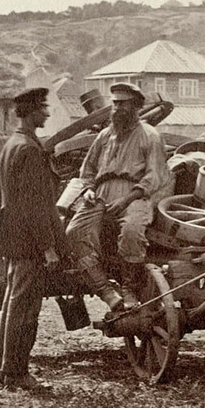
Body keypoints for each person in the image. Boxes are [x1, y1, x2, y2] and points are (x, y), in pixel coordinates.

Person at [65, 82, 172, 310]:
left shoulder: (150, 136)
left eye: (122, 104)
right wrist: (90, 189)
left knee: (132, 232)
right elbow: (88, 169)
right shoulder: (105, 135)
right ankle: (105, 290)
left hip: (134, 196)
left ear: (135, 106)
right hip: (100, 194)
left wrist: (126, 200)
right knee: (74, 232)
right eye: (114, 104)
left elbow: (155, 176)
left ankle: (129, 288)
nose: (116, 109)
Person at [0, 87, 68, 391]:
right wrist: (48, 247)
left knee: (13, 301)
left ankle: (6, 368)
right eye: (43, 109)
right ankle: (16, 373)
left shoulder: (12, 144)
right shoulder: (30, 150)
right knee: (24, 308)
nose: (47, 114)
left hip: (14, 236)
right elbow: (37, 205)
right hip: (29, 242)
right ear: (31, 112)